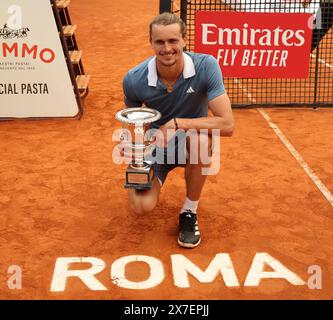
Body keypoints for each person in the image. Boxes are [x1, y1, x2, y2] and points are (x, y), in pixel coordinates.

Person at [121, 12, 234, 249]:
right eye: (160, 42)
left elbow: (227, 124)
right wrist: (136, 154)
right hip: (157, 146)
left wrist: (176, 124)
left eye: (173, 41)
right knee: (141, 205)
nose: (167, 48)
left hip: (191, 143)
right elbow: (132, 123)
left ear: (184, 40)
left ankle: (189, 212)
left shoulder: (207, 66)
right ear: (150, 42)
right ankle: (146, 176)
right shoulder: (134, 78)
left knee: (201, 142)